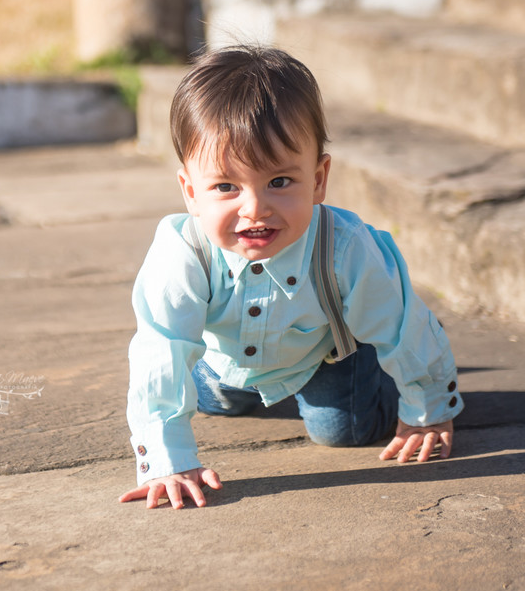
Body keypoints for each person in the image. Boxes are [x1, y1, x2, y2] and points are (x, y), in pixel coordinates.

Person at [119, 45, 464, 510]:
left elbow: (401, 323)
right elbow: (161, 348)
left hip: (324, 354)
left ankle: (376, 372)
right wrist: (167, 458)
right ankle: (242, 388)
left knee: (342, 431)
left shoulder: (343, 245)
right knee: (211, 398)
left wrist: (427, 411)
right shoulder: (181, 252)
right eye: (225, 187)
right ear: (190, 192)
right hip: (225, 358)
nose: (255, 209)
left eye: (279, 181)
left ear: (319, 179)